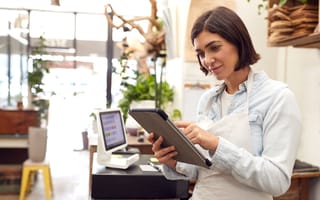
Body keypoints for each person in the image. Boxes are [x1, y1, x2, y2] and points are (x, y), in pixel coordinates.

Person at [147, 6, 301, 200]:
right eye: (201, 53)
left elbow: (277, 181)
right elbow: (204, 170)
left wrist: (216, 144)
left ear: (238, 41)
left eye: (214, 47)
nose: (207, 60)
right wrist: (172, 161)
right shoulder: (208, 100)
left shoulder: (277, 97)